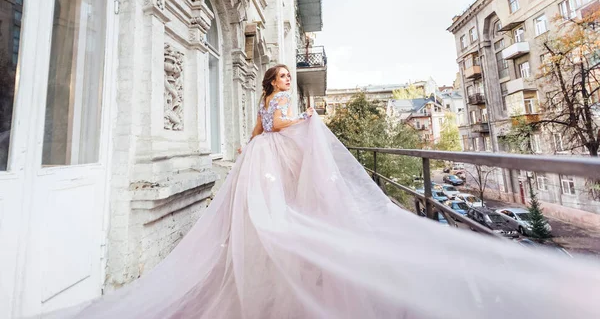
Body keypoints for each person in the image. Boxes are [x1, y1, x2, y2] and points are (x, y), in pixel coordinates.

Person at [42, 64, 600, 319]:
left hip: (256, 160)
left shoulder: (261, 106)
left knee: (266, 216)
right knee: (278, 216)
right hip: (266, 158)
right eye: (282, 77)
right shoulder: (279, 105)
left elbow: (257, 134)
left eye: (288, 78)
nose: (286, 81)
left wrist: (259, 142)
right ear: (273, 84)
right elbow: (276, 128)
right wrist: (306, 121)